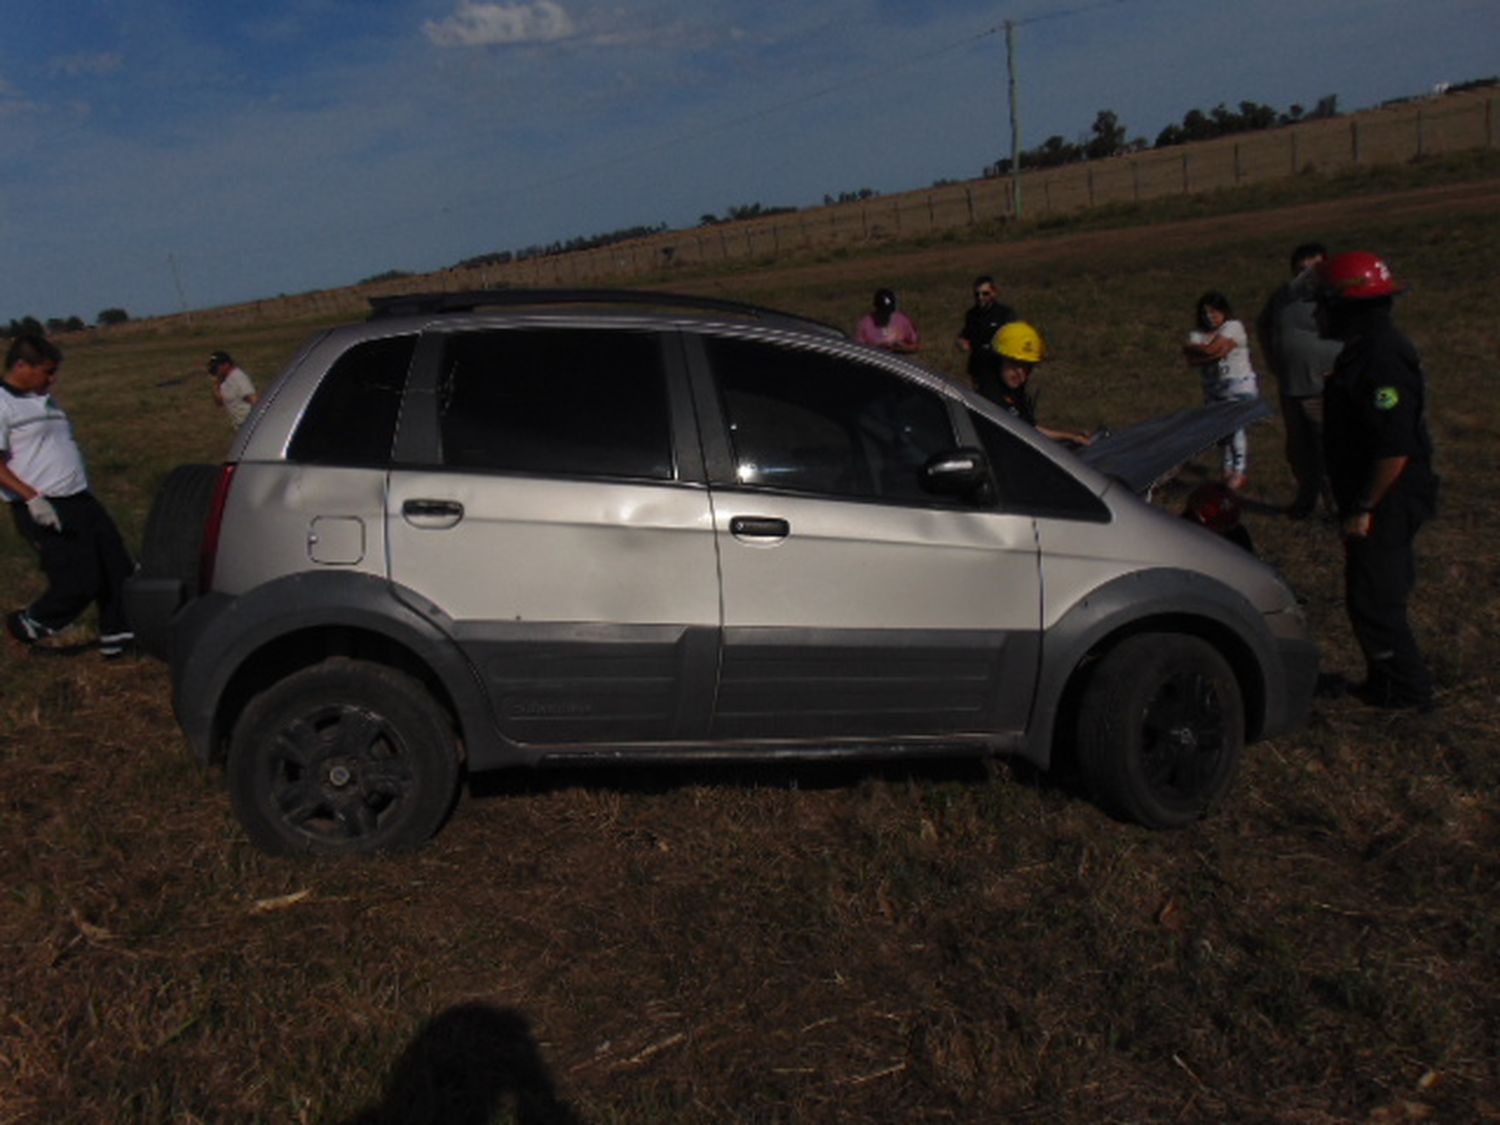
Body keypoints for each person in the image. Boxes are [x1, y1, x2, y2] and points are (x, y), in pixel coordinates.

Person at [1315, 250, 1438, 711]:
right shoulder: (1364, 352)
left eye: (1322, 304)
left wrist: (1366, 506)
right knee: (1367, 590)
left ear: (1346, 306)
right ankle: (1383, 680)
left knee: (1376, 598)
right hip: (1374, 496)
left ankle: (1408, 694)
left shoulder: (1381, 357)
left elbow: (1394, 448)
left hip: (1388, 499)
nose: (1316, 314)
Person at [1, 335, 135, 658]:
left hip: (80, 498)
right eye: (47, 372)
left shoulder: (44, 400)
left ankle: (119, 640)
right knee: (80, 581)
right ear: (22, 365)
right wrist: (32, 498)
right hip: (44, 505)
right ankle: (25, 626)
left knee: (117, 568)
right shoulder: (3, 403)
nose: (53, 379)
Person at [1257, 242, 1344, 518]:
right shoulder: (1284, 295)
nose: (1307, 274)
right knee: (1298, 451)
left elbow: (1357, 333)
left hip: (1323, 387)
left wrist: (1343, 368)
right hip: (1291, 386)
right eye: (1301, 269)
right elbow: (1263, 324)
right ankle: (1306, 501)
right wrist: (1272, 358)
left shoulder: (1336, 296)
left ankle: (1339, 508)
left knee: (1329, 450)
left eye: (1313, 268)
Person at [1183, 291, 1259, 490]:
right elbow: (1194, 359)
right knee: (1221, 431)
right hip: (1213, 387)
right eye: (1206, 312)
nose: (1210, 316)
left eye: (1214, 311)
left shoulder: (1233, 326)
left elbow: (1214, 351)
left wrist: (1200, 350)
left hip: (1238, 383)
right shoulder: (1197, 333)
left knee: (1235, 427)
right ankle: (1226, 470)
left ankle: (1239, 470)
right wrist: (1210, 351)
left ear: (1223, 311)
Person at [981, 321, 1094, 446]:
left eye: (1027, 367)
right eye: (1015, 363)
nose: (1021, 373)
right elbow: (1024, 436)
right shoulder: (988, 401)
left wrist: (1071, 436)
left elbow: (1030, 430)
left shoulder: (1012, 394)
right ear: (998, 360)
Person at [955, 275, 1016, 399]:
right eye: (977, 294)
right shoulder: (972, 315)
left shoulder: (1005, 314)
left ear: (994, 293)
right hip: (979, 369)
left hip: (999, 368)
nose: (980, 298)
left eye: (985, 294)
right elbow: (965, 334)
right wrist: (960, 342)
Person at [854, 288, 920, 354]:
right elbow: (858, 351)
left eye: (889, 311)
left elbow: (915, 346)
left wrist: (902, 347)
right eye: (883, 311)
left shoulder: (902, 320)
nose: (886, 314)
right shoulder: (865, 324)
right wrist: (878, 348)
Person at [207, 349, 258, 429]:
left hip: (250, 423)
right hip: (240, 425)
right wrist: (216, 384)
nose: (215, 369)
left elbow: (253, 399)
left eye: (217, 366)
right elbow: (219, 402)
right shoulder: (222, 381)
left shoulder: (238, 377)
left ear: (226, 365)